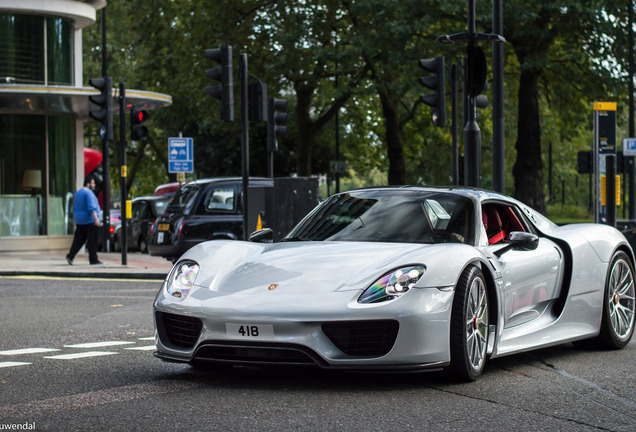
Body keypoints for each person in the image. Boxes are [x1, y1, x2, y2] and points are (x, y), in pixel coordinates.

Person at [66, 178, 103, 265]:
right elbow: (91, 208)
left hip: (79, 220)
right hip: (90, 220)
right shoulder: (89, 193)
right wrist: (96, 220)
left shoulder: (78, 193)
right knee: (92, 241)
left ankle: (70, 256)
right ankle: (93, 259)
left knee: (79, 240)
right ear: (88, 184)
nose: (94, 185)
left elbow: (74, 207)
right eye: (92, 183)